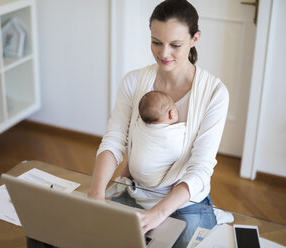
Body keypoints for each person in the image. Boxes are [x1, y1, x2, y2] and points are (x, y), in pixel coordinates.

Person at [88, 0, 229, 247]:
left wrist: (159, 213)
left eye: (175, 45)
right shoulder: (133, 82)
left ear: (195, 38)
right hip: (138, 192)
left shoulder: (214, 92)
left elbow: (201, 167)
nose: (164, 53)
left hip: (186, 202)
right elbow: (114, 139)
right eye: (156, 42)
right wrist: (96, 192)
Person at [127, 90, 186, 188]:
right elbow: (188, 140)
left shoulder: (139, 126)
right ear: (172, 113)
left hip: (134, 173)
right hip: (154, 181)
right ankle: (177, 185)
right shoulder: (173, 134)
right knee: (186, 161)